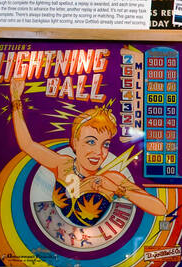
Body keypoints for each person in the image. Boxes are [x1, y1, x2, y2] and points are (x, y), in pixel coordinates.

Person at [10, 73, 165, 222]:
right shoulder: (63, 165)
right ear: (75, 143)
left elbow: (160, 209)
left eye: (105, 144)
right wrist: (16, 99)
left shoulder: (112, 178)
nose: (99, 152)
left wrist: (119, 191)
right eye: (91, 142)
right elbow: (27, 144)